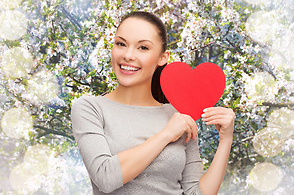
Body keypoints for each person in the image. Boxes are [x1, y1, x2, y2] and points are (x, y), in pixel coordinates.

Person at [71, 11, 235, 195]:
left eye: (143, 48)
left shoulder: (178, 115)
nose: (128, 55)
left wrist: (226, 140)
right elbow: (105, 178)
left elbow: (196, 193)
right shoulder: (89, 108)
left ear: (162, 58)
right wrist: (166, 134)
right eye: (121, 44)